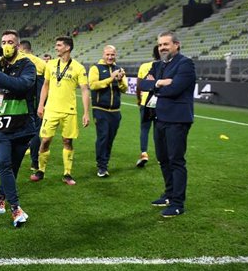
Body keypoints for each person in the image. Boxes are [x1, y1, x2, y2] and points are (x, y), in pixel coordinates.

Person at [0, 30, 37, 227]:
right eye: (4, 42)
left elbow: (23, 85)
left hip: (21, 126)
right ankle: (15, 208)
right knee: (3, 163)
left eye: (10, 42)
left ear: (18, 46)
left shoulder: (26, 65)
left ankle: (0, 198)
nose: (7, 45)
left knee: (13, 168)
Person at [138, 32, 195, 217]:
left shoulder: (185, 63)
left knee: (176, 160)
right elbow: (142, 84)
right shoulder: (157, 65)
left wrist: (157, 85)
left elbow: (175, 89)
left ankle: (178, 203)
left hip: (177, 119)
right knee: (163, 159)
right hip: (159, 117)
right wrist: (161, 83)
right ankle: (169, 194)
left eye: (166, 44)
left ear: (176, 45)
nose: (162, 47)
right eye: (160, 44)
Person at [32, 36, 90, 186]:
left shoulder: (78, 67)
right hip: (51, 110)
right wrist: (40, 104)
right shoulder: (50, 65)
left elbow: (84, 90)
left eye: (59, 45)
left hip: (69, 111)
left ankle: (67, 173)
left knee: (67, 141)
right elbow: (45, 85)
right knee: (45, 140)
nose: (56, 47)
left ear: (67, 47)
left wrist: (86, 112)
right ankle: (40, 170)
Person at [88, 45, 128, 177]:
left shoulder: (119, 69)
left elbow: (124, 89)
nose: (110, 57)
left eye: (112, 55)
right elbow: (93, 85)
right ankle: (102, 166)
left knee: (110, 138)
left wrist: (121, 79)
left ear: (115, 55)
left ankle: (105, 163)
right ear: (103, 54)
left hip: (115, 111)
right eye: (108, 54)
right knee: (103, 137)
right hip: (100, 109)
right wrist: (111, 78)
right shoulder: (95, 68)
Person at [19, 40, 46, 171]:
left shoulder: (19, 60)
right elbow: (46, 85)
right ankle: (35, 162)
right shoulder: (41, 63)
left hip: (21, 101)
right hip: (38, 101)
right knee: (35, 131)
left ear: (21, 48)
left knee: (18, 130)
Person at [135, 46, 160, 168]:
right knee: (158, 130)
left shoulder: (144, 66)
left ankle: (144, 153)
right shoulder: (166, 67)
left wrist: (139, 100)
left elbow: (139, 86)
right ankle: (161, 156)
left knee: (144, 129)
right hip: (161, 103)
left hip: (146, 103)